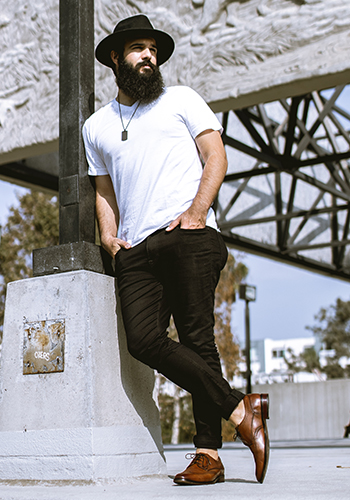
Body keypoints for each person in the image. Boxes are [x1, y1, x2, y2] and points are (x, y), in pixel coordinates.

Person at [83, 13, 269, 485]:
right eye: (137, 48)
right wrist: (109, 236)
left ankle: (208, 454)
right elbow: (104, 189)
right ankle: (241, 408)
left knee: (197, 340)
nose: (148, 55)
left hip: (188, 235)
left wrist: (196, 212)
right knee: (143, 339)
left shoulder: (182, 99)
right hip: (136, 248)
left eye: (153, 49)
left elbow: (216, 157)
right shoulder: (97, 126)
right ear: (114, 58)